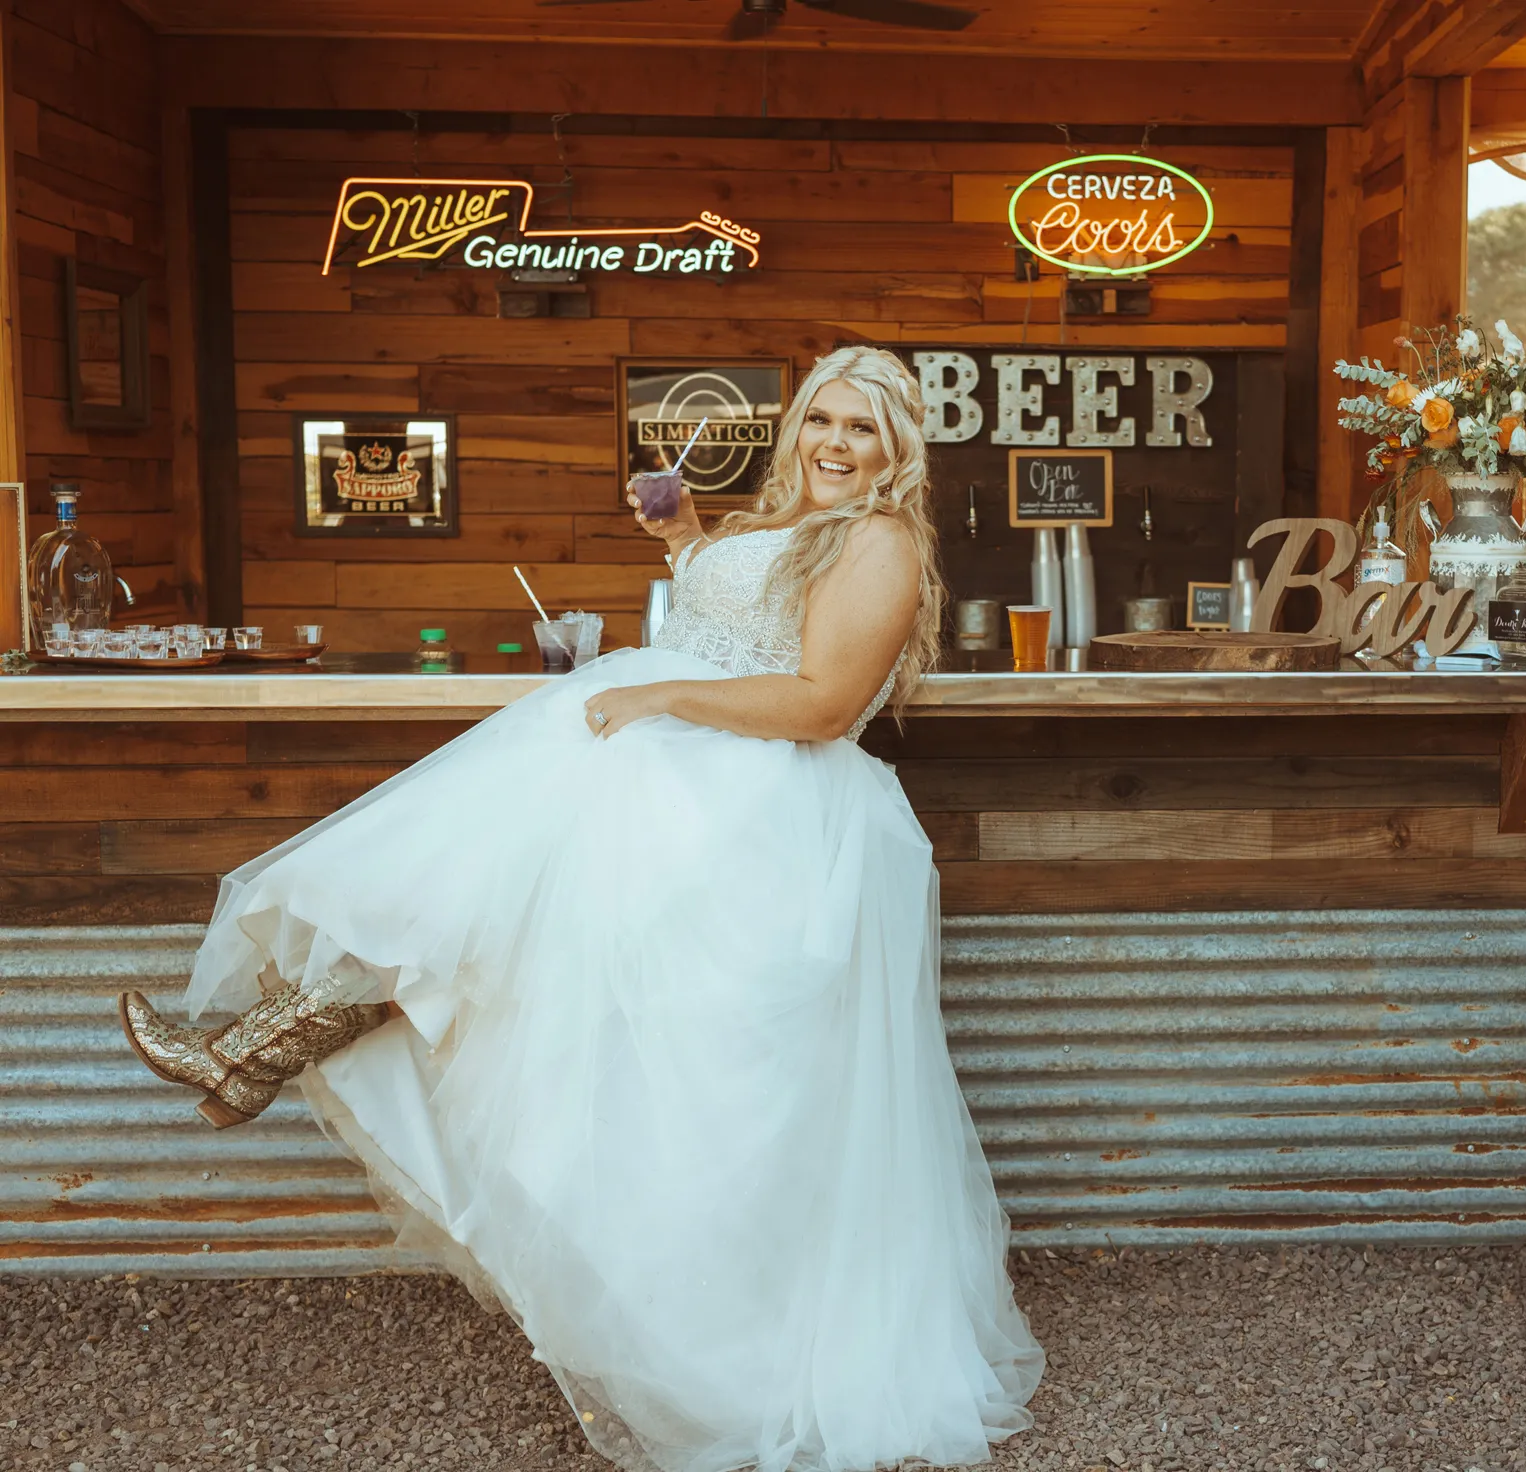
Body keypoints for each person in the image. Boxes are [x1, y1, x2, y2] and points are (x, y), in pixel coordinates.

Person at [117, 345, 1046, 1472]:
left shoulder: (880, 539)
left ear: (898, 452)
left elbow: (821, 699)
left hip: (759, 819)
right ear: (796, 427)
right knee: (469, 911)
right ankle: (256, 1045)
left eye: (864, 430)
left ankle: (254, 1054)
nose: (837, 445)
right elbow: (742, 623)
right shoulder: (781, 521)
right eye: (823, 421)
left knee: (615, 1037)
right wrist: (685, 538)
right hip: (681, 782)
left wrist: (655, 692)